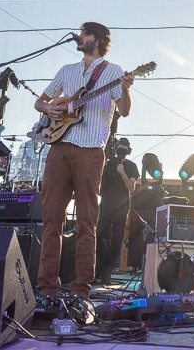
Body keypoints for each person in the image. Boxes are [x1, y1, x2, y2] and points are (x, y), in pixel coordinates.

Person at [34, 23, 133, 298]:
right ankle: (46, 288)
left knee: (87, 221)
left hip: (90, 151)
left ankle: (81, 290)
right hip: (59, 146)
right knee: (52, 218)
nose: (80, 37)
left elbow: (123, 111)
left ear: (99, 40)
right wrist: (48, 107)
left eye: (85, 33)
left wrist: (125, 89)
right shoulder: (67, 70)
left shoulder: (113, 72)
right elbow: (41, 102)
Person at [95, 136, 138, 286]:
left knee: (116, 241)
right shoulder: (108, 164)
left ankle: (106, 272)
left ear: (128, 150)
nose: (122, 149)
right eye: (120, 146)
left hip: (121, 208)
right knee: (97, 235)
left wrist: (122, 172)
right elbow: (99, 187)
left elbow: (131, 187)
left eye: (125, 148)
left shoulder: (131, 166)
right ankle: (98, 269)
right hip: (106, 206)